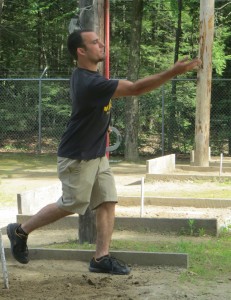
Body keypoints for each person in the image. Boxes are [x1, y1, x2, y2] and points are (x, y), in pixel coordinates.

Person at [7, 29, 201, 275]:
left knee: (108, 201)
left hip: (96, 154)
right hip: (77, 156)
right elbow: (135, 88)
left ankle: (101, 258)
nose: (102, 45)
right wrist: (173, 72)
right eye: (95, 42)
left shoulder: (88, 76)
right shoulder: (90, 83)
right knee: (71, 204)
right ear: (81, 51)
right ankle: (20, 231)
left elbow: (127, 89)